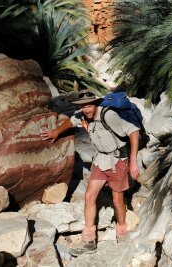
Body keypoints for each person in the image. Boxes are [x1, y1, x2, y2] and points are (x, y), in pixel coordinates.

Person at [41, 89, 140, 255]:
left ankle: (121, 232)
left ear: (95, 104)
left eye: (89, 106)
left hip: (117, 161)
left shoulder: (109, 116)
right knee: (89, 195)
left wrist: (134, 161)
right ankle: (89, 240)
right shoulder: (82, 115)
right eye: (83, 106)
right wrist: (56, 132)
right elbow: (71, 121)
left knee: (117, 200)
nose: (86, 109)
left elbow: (133, 131)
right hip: (101, 160)